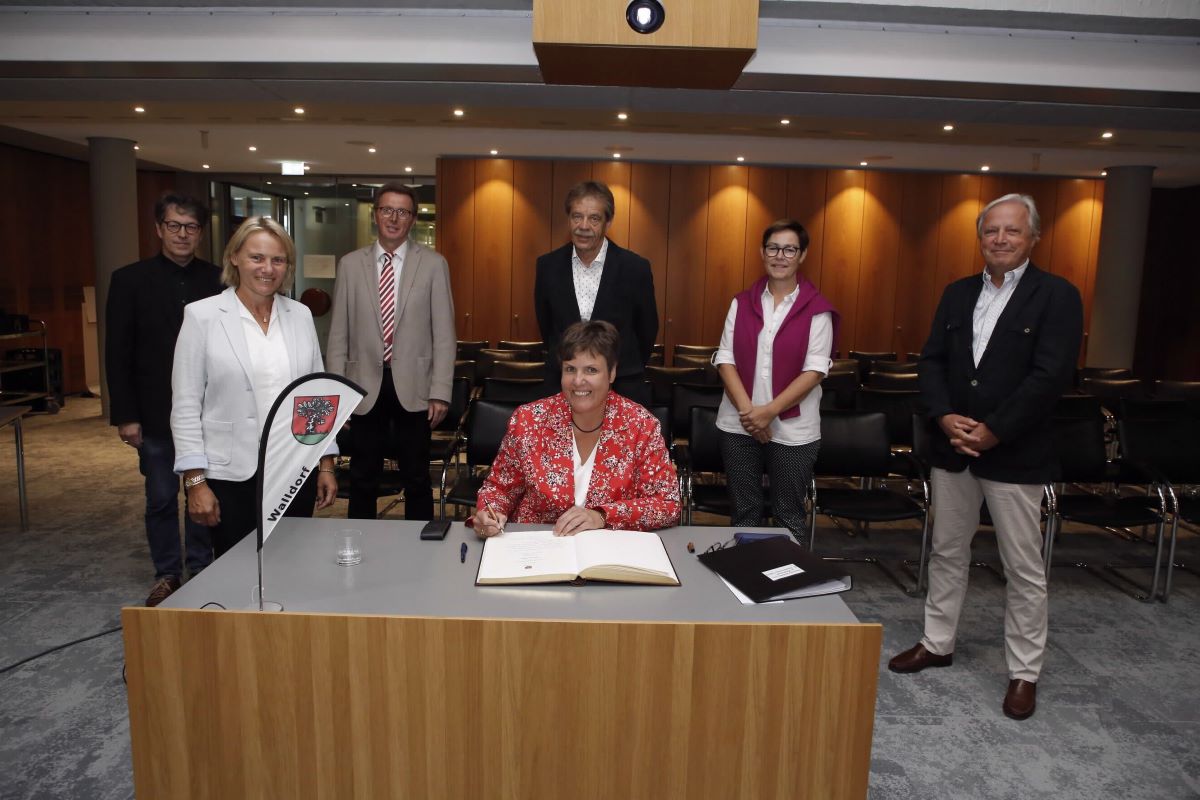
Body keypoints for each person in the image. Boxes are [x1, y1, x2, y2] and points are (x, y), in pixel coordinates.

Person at [888, 193, 1083, 721]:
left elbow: (1051, 377)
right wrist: (943, 415)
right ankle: (937, 642)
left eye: (1011, 231)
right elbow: (931, 361)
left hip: (1015, 453)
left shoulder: (1057, 296)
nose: (1000, 239)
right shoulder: (957, 294)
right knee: (947, 552)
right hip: (953, 450)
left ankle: (1024, 673)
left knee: (1023, 567)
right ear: (980, 237)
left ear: (1033, 238)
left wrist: (995, 430)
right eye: (991, 230)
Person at [171, 216, 338, 556]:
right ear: (234, 257)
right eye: (256, 257)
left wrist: (325, 463)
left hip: (293, 468)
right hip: (230, 474)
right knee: (237, 569)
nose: (267, 268)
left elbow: (316, 397)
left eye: (278, 259)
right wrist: (194, 482)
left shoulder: (300, 315)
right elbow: (186, 405)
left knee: (293, 563)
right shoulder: (202, 316)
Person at [106, 192, 222, 607]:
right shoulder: (129, 280)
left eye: (191, 227)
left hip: (208, 413)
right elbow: (117, 353)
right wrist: (125, 416)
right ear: (159, 229)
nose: (182, 235)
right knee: (159, 497)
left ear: (201, 234)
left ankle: (201, 565)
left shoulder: (218, 280)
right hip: (154, 412)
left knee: (203, 492)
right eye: (174, 225)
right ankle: (167, 573)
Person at [473, 320, 679, 536]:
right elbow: (499, 488)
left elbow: (668, 504)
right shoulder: (528, 421)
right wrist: (491, 512)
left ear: (611, 373)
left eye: (591, 370)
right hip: (538, 550)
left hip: (609, 553)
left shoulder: (641, 426)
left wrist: (602, 516)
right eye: (570, 369)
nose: (578, 381)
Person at [326, 181, 456, 521]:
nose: (394, 218)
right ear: (375, 215)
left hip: (414, 386)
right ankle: (359, 545)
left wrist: (440, 391)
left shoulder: (433, 264)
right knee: (362, 476)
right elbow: (338, 334)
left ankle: (420, 555)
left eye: (403, 211)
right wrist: (337, 395)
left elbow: (444, 334)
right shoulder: (350, 265)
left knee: (415, 477)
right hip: (362, 387)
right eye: (387, 210)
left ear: (413, 219)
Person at [712, 219, 837, 548]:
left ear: (802, 255)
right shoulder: (741, 302)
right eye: (773, 248)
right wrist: (750, 415)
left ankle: (786, 588)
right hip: (739, 425)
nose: (780, 255)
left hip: (794, 431)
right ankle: (742, 582)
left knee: (789, 515)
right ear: (762, 252)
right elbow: (725, 359)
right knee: (744, 512)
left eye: (789, 249)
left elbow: (814, 371)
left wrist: (768, 413)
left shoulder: (817, 311)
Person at [534, 181, 658, 404]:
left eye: (594, 218)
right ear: (568, 219)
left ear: (608, 222)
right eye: (577, 216)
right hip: (562, 385)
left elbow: (647, 330)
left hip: (622, 384)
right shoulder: (547, 266)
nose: (583, 226)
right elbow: (547, 326)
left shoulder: (635, 268)